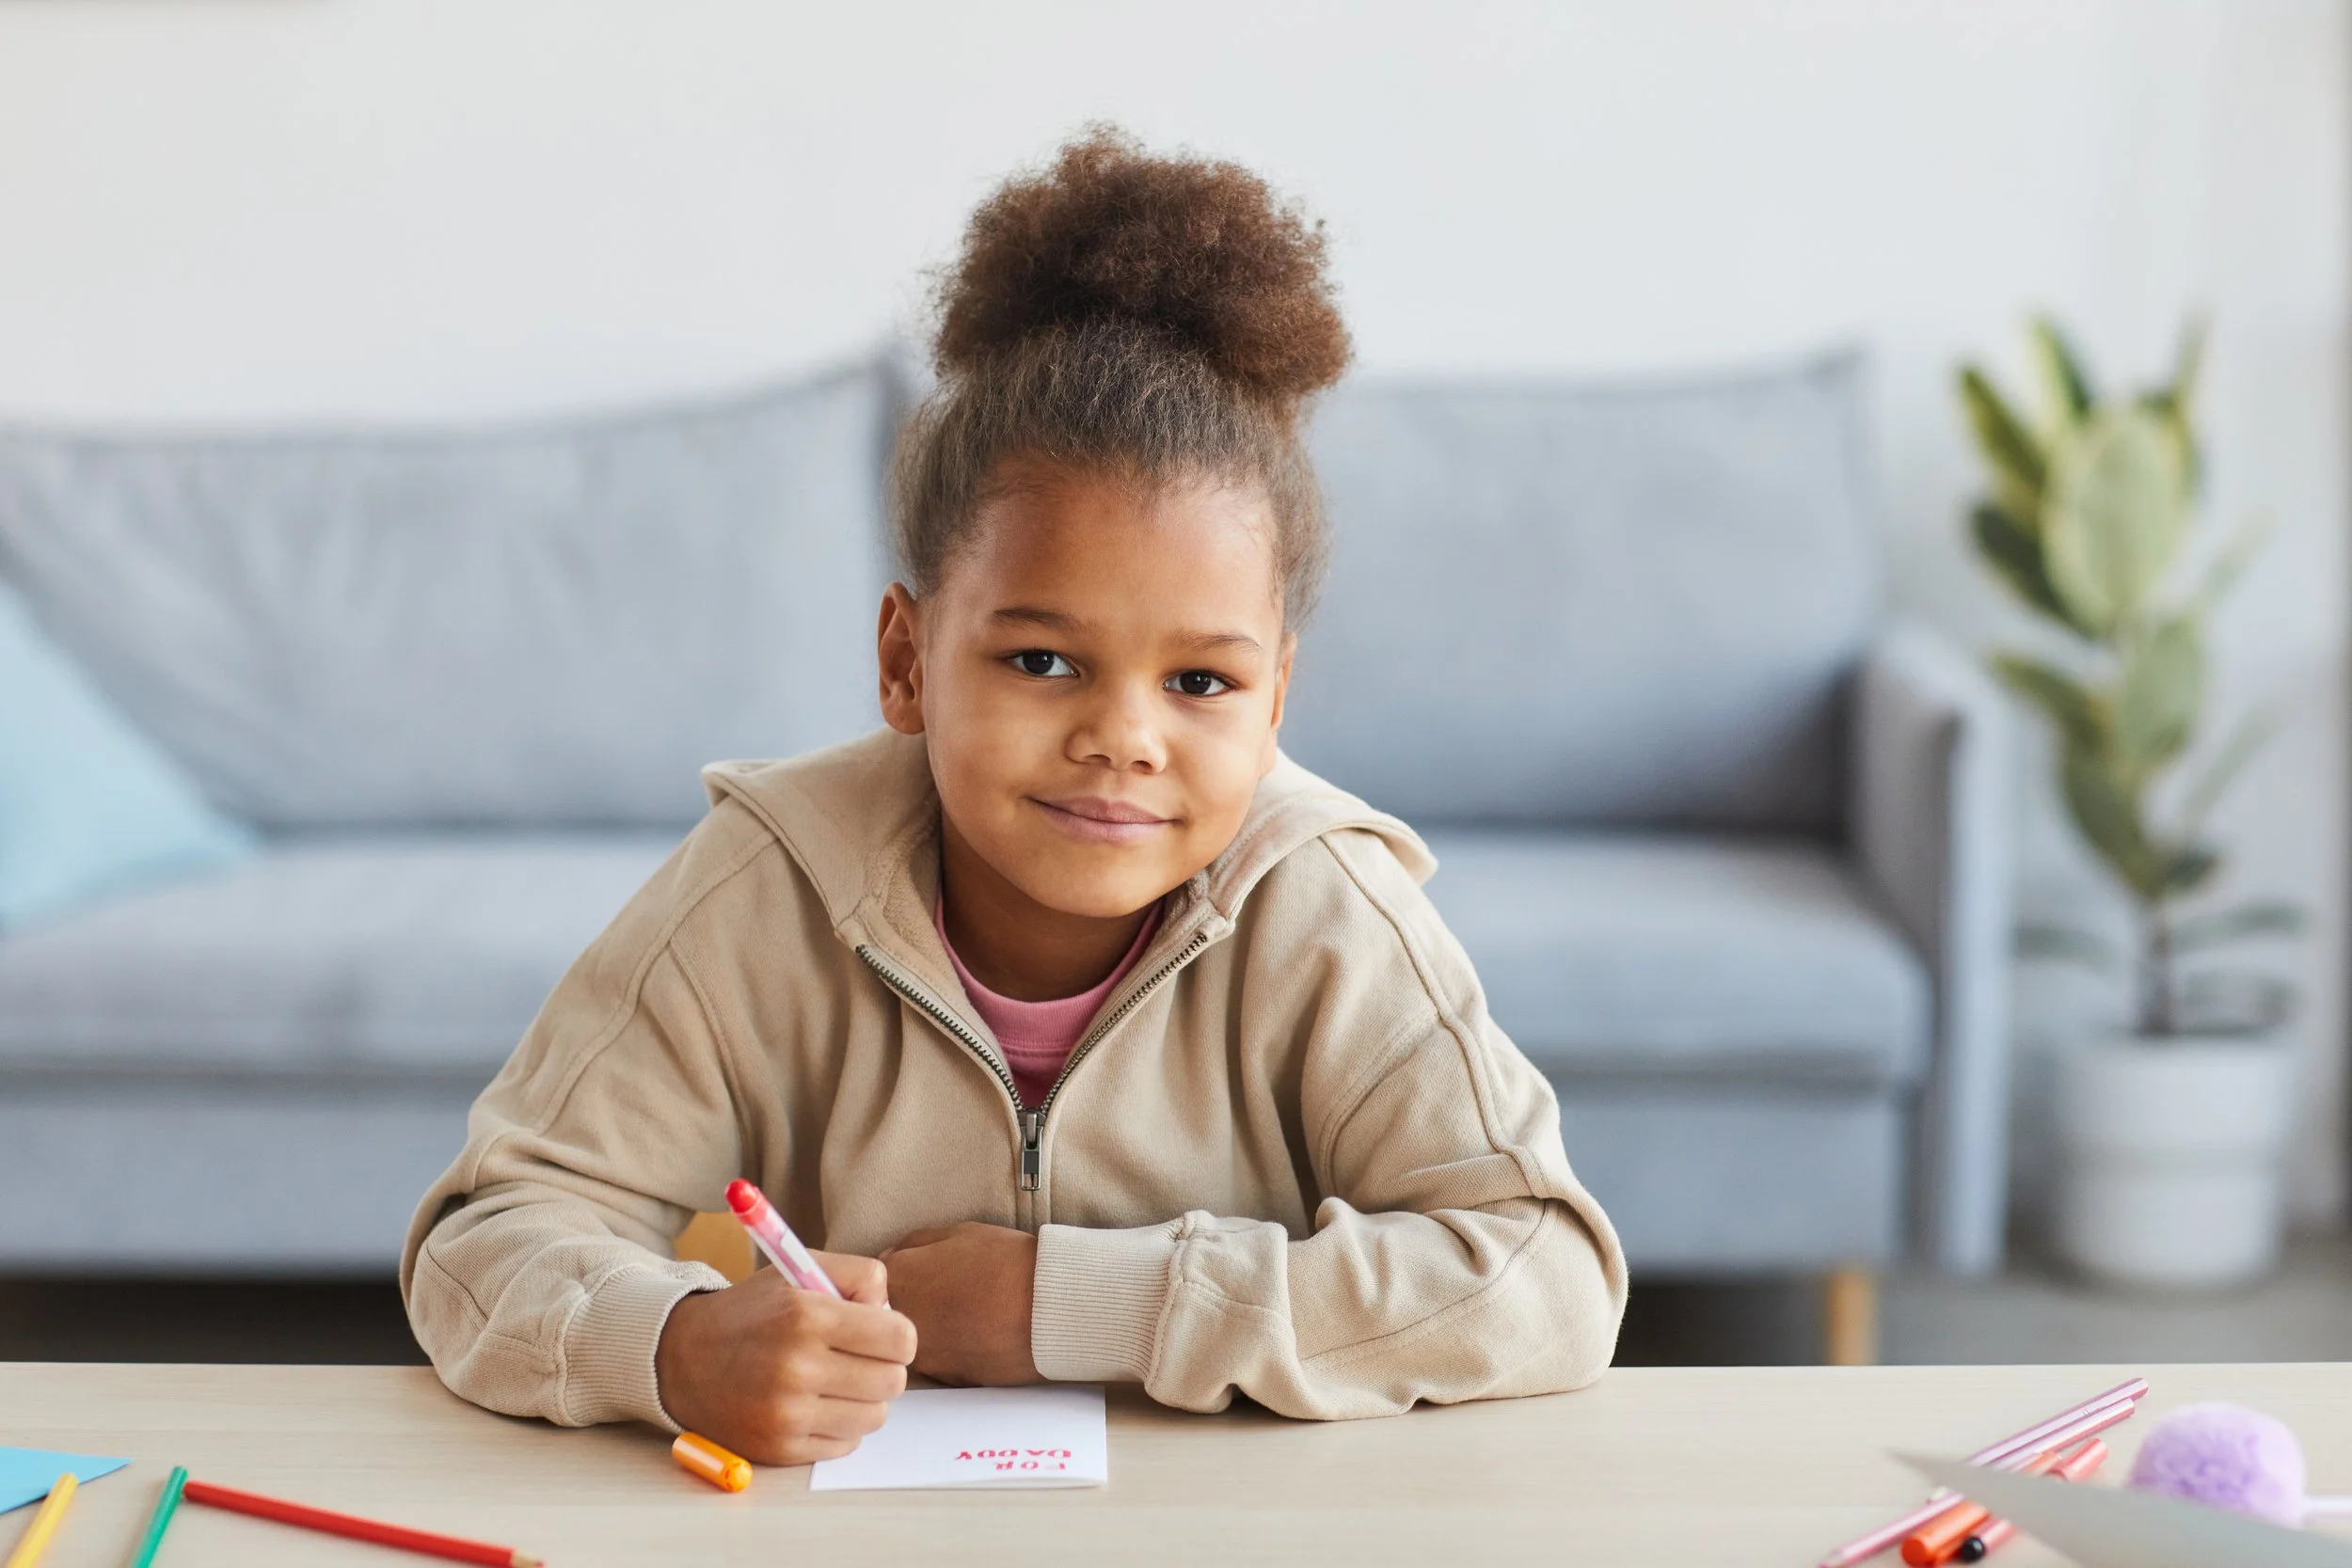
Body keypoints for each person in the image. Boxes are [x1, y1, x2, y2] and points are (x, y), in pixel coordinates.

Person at [401, 127, 1626, 1465]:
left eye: (1202, 683)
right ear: (905, 659)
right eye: (1042, 659)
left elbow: (1545, 1274)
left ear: (1276, 698)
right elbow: (487, 1238)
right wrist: (681, 1345)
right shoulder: (769, 883)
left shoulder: (1327, 909)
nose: (1122, 737)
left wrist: (1060, 1305)